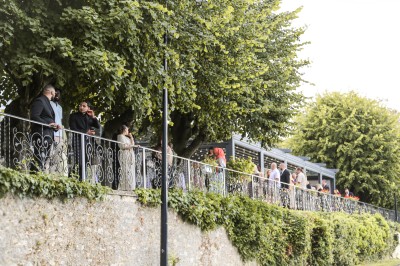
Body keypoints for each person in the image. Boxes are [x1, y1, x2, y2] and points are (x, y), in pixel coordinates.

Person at [30, 84, 61, 171]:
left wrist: (55, 126)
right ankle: (35, 177)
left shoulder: (47, 102)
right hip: (40, 134)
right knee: (39, 158)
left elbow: (47, 119)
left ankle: (38, 176)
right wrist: (48, 124)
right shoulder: (40, 101)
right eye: (55, 92)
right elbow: (34, 116)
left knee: (43, 160)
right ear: (51, 92)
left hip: (48, 135)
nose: (55, 94)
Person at [69, 100, 101, 180]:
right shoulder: (74, 116)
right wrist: (86, 132)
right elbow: (73, 129)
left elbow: (98, 126)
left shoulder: (89, 117)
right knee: (79, 162)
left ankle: (82, 180)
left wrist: (93, 116)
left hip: (87, 143)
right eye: (80, 105)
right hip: (77, 142)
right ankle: (74, 178)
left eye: (84, 106)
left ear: (88, 108)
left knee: (85, 163)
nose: (81, 107)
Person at [49, 89, 67, 175]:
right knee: (50, 157)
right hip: (51, 133)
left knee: (60, 158)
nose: (57, 95)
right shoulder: (49, 104)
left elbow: (60, 121)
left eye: (58, 93)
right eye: (55, 93)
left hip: (59, 135)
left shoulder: (60, 107)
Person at [116, 125, 136, 191]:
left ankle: (130, 186)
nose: (128, 131)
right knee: (125, 170)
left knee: (130, 171)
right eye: (127, 130)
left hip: (129, 155)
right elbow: (123, 146)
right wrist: (131, 146)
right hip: (124, 154)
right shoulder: (120, 136)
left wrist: (131, 137)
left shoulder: (127, 138)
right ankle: (123, 187)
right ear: (124, 130)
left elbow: (132, 144)